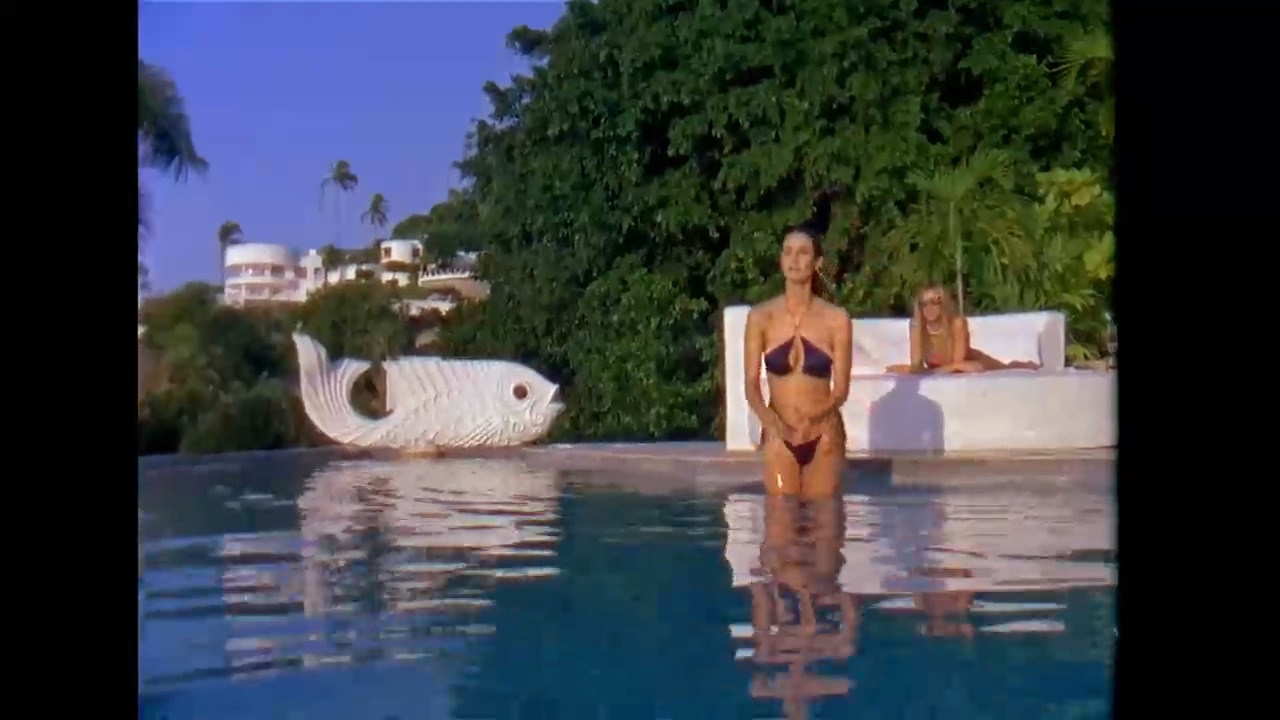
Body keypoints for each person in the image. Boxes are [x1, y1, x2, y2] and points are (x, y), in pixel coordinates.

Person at [744, 190, 853, 497]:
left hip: (823, 432)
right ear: (781, 260)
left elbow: (841, 390)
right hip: (780, 433)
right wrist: (771, 423)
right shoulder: (761, 317)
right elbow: (751, 385)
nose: (794, 259)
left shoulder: (836, 319)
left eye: (803, 253)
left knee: (824, 521)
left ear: (817, 262)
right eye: (788, 252)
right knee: (781, 520)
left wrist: (814, 418)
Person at [886, 284, 1041, 374]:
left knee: (1005, 369)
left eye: (935, 301)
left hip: (972, 361)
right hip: (945, 370)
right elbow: (917, 366)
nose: (929, 307)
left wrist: (927, 372)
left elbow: (957, 365)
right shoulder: (917, 327)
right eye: (924, 303)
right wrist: (907, 369)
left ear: (943, 303)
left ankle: (1021, 365)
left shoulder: (956, 323)